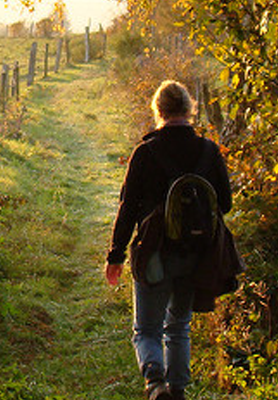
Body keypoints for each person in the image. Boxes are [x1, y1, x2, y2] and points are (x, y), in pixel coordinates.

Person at [105, 80, 233, 400]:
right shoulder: (208, 150)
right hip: (196, 253)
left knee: (146, 329)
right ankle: (177, 391)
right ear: (190, 110)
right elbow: (226, 203)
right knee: (178, 326)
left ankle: (154, 380)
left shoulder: (146, 152)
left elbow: (128, 208)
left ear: (158, 110)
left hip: (154, 253)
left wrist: (115, 255)